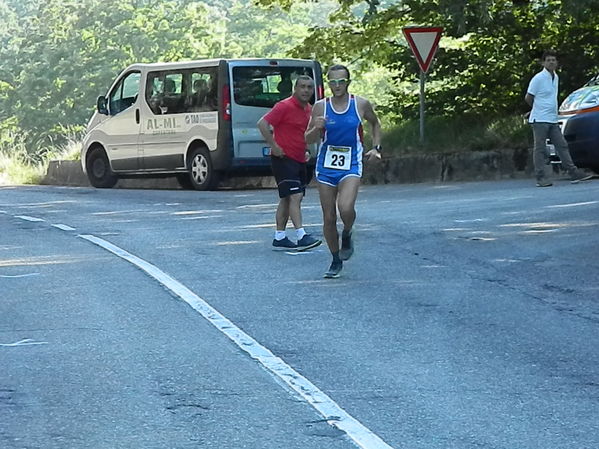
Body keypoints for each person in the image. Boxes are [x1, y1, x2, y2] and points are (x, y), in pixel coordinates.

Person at [305, 64, 382, 278]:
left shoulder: (360, 104)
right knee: (329, 217)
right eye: (332, 82)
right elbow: (307, 139)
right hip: (326, 165)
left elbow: (376, 124)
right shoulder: (320, 106)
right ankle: (335, 259)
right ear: (328, 83)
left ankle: (347, 231)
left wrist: (376, 148)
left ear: (348, 82)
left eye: (341, 81)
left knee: (345, 207)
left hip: (351, 163)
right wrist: (316, 128)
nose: (337, 86)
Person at [257, 75, 322, 251]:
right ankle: (301, 236)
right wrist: (274, 145)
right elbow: (262, 124)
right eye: (302, 86)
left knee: (287, 199)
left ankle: (279, 236)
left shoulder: (310, 110)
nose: (306, 90)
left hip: (299, 158)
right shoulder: (284, 106)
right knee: (295, 196)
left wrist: (307, 150)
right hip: (282, 158)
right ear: (295, 88)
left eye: (309, 87)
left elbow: (305, 134)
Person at [525, 50, 593, 187]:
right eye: (548, 60)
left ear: (557, 63)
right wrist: (536, 109)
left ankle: (574, 173)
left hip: (552, 118)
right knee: (540, 148)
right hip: (540, 119)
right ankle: (541, 178)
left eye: (553, 60)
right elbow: (528, 97)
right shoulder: (538, 78)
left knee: (562, 145)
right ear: (543, 62)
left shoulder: (555, 77)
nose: (551, 62)